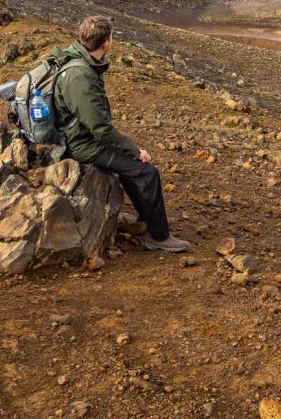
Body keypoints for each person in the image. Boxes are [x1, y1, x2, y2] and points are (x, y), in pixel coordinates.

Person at [48, 15, 190, 253]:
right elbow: (100, 129)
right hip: (82, 144)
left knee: (134, 168)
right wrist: (134, 151)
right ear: (105, 43)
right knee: (146, 172)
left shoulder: (78, 62)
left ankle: (151, 218)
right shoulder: (80, 76)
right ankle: (159, 236)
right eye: (111, 37)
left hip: (82, 137)